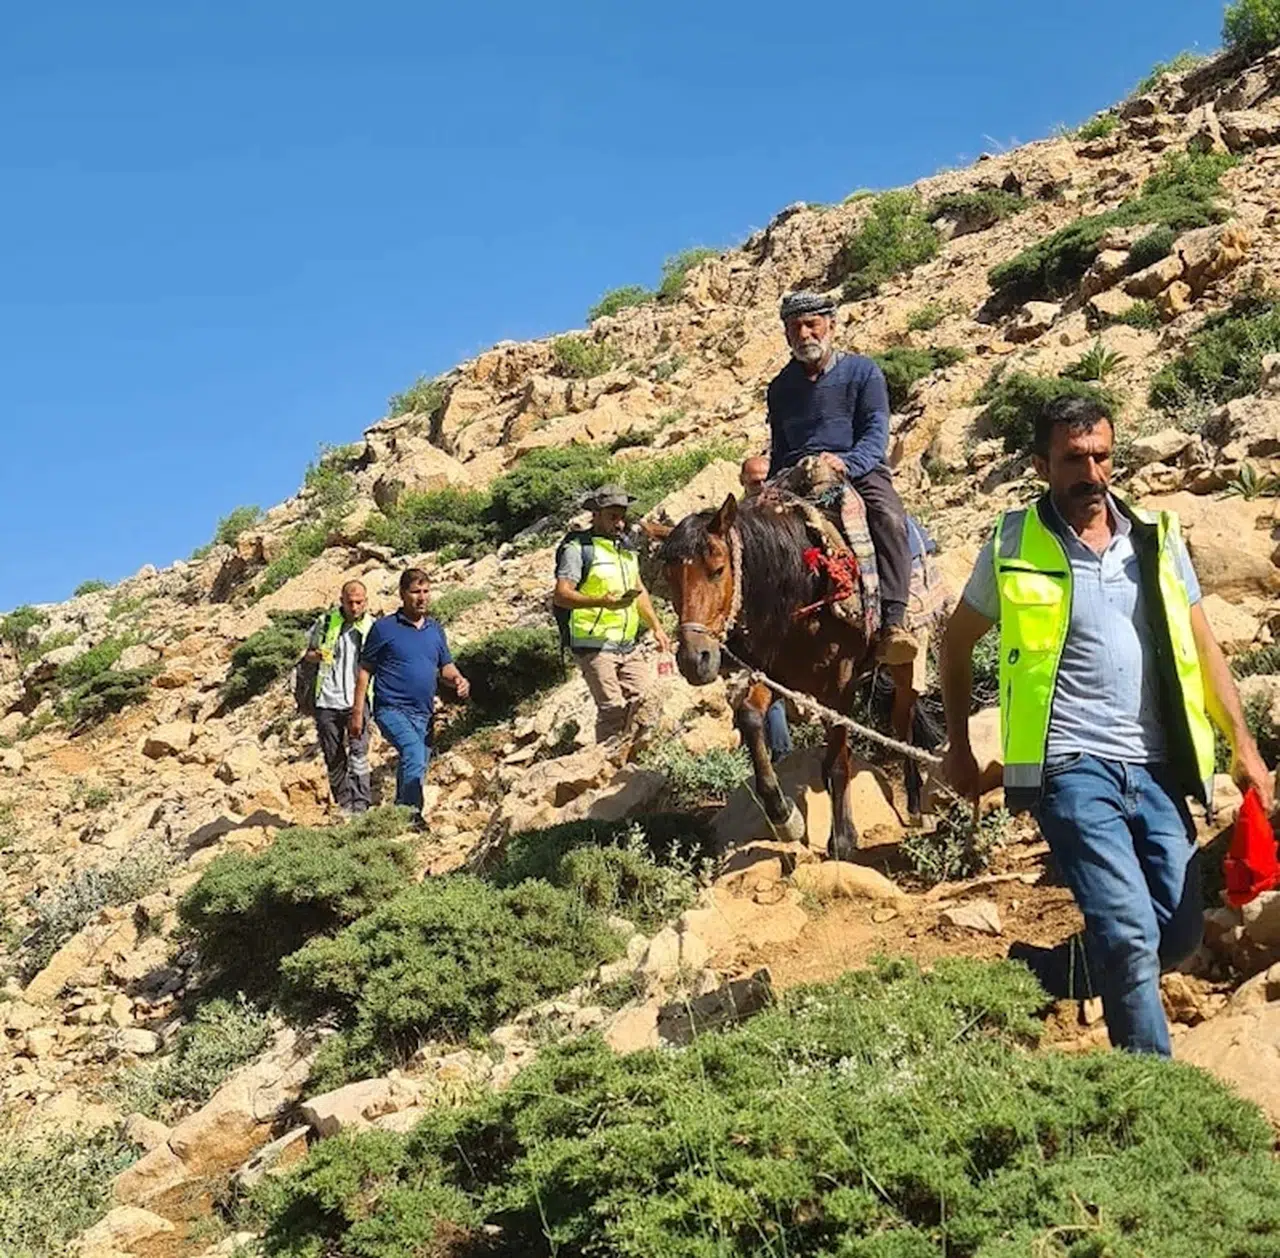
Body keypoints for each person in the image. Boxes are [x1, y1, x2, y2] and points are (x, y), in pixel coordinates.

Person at [939, 395, 1272, 1057]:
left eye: (1102, 457)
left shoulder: (1156, 537)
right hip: (1069, 767)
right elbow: (954, 645)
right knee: (1126, 929)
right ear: (1042, 464)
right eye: (1073, 459)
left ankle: (1044, 973)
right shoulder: (1012, 541)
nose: (1091, 473)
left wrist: (1245, 748)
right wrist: (957, 746)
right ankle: (1154, 1096)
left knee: (1174, 937)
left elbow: (1203, 648)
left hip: (1155, 767)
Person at [766, 290, 917, 665]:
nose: (804, 334)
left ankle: (894, 622)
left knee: (889, 518)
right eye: (795, 327)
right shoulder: (780, 388)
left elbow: (875, 434)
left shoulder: (863, 372)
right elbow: (779, 448)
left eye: (811, 324)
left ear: (830, 325)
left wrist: (846, 463)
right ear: (786, 334)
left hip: (856, 467)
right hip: (797, 474)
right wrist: (770, 488)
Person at [351, 568, 470, 828]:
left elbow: (445, 667)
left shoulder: (434, 630)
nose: (422, 597)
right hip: (391, 708)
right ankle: (413, 817)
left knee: (414, 762)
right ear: (403, 594)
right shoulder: (384, 629)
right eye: (416, 592)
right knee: (414, 753)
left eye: (426, 591)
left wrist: (459, 679)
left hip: (423, 712)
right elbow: (364, 672)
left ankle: (398, 816)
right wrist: (357, 713)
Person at [553, 484, 672, 743]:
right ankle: (604, 771)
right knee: (613, 714)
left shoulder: (625, 549)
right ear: (595, 515)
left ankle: (634, 765)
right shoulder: (577, 549)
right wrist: (601, 602)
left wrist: (657, 627)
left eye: (622, 516)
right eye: (612, 516)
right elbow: (562, 594)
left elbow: (639, 591)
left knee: (645, 704)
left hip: (627, 645)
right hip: (593, 645)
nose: (619, 523)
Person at [304, 580, 376, 816]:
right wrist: (319, 655)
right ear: (341, 601)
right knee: (333, 755)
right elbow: (307, 654)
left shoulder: (372, 627)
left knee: (358, 753)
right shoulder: (326, 623)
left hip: (358, 700)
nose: (354, 607)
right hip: (327, 699)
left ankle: (361, 805)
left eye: (359, 602)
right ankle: (344, 804)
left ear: (366, 601)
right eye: (350, 602)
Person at [740, 455, 792, 761]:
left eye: (765, 480)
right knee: (766, 681)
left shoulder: (785, 511)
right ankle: (781, 754)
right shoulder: (738, 520)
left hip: (790, 604)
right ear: (743, 482)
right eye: (754, 481)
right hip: (761, 615)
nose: (760, 486)